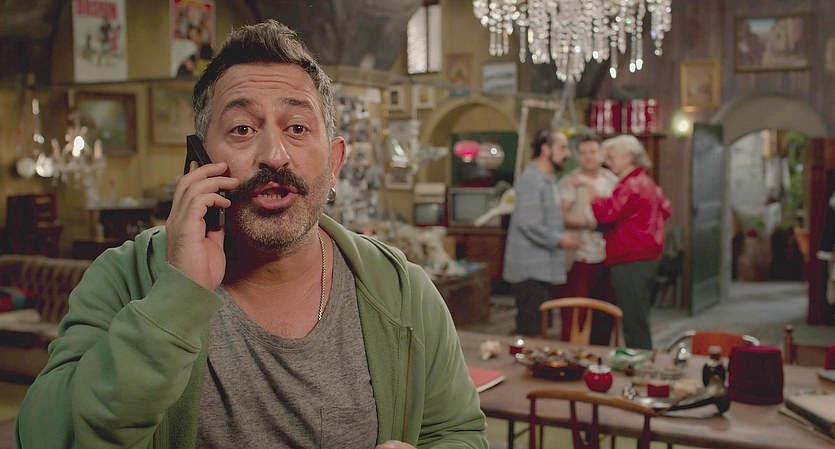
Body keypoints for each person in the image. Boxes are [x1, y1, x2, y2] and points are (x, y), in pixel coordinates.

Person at [15, 20, 487, 449]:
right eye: (242, 129)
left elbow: (458, 433)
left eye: (297, 127)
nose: (274, 154)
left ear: (335, 162)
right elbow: (44, 438)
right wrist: (177, 296)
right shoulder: (125, 279)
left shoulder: (402, 293)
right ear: (198, 162)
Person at [577, 135, 672, 349]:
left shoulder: (631, 184)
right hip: (646, 255)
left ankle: (641, 360)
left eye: (611, 157)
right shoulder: (646, 181)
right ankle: (641, 357)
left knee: (633, 319)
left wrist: (592, 195)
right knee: (638, 315)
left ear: (629, 157)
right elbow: (666, 209)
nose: (607, 162)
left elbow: (607, 213)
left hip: (631, 256)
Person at [503, 129, 579, 336]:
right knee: (531, 330)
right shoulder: (532, 180)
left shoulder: (547, 178)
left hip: (541, 269)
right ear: (546, 150)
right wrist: (560, 239)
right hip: (529, 271)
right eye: (562, 148)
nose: (568, 154)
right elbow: (529, 222)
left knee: (540, 326)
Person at [558, 134, 618, 344]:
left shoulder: (611, 179)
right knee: (577, 310)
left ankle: (601, 350)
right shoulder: (570, 181)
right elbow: (561, 213)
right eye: (583, 153)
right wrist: (590, 223)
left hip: (608, 253)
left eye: (592, 152)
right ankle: (573, 350)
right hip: (580, 253)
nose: (588, 157)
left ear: (601, 154)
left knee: (605, 309)